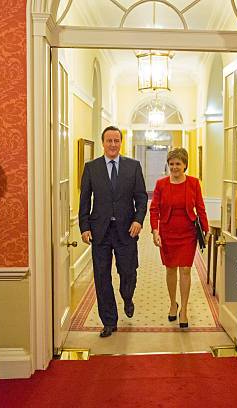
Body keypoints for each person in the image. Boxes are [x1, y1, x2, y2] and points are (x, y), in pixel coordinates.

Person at [79, 126, 148, 337]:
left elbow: (142, 198)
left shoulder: (133, 167)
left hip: (127, 230)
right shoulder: (91, 167)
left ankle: (127, 296)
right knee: (101, 276)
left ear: (121, 143)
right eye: (109, 140)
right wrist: (84, 227)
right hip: (100, 231)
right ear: (102, 142)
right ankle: (109, 321)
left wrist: (138, 220)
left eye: (116, 141)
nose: (112, 144)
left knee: (128, 271)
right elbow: (84, 200)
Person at [150, 147, 209, 329]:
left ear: (185, 165)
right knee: (170, 270)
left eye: (178, 164)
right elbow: (154, 210)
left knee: (185, 270)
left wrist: (205, 230)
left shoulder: (193, 183)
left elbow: (200, 207)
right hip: (168, 233)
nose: (174, 167)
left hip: (187, 233)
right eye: (171, 164)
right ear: (168, 165)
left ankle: (184, 308)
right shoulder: (161, 184)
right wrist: (155, 231)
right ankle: (172, 303)